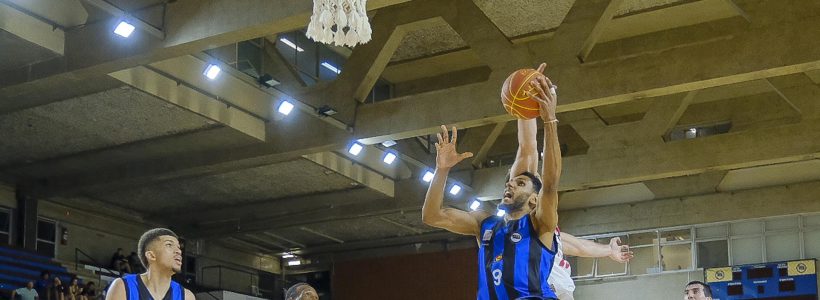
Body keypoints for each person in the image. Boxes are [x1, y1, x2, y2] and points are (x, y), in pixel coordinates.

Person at [422, 63, 562, 299]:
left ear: (534, 201)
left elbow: (549, 180)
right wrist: (442, 170)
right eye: (511, 181)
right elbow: (432, 216)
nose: (510, 184)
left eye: (521, 184)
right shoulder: (484, 225)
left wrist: (549, 120)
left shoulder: (540, 225)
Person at [105, 228, 195, 300]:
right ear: (151, 255)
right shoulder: (123, 287)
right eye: (169, 245)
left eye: (179, 247)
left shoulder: (186, 296)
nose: (179, 251)